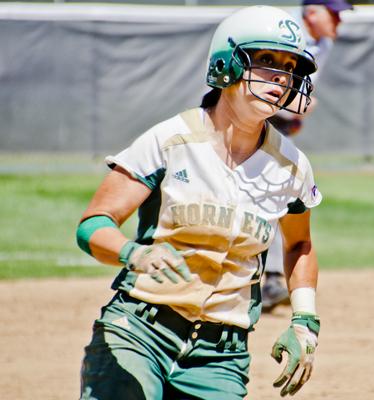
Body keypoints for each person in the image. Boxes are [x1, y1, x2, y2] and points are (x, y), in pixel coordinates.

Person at [76, 6, 322, 399]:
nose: (281, 76)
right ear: (226, 64)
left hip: (221, 355)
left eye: (290, 66)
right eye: (266, 60)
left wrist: (304, 320)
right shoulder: (170, 141)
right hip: (140, 331)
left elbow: (299, 244)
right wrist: (132, 254)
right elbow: (93, 225)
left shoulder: (290, 166)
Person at [262, 0, 353, 312]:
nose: (339, 24)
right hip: (253, 120)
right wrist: (295, 107)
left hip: (280, 125)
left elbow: (303, 93)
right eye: (335, 15)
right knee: (266, 196)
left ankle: (273, 277)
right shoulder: (282, 37)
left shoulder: (323, 44)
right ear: (313, 13)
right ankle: (268, 277)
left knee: (278, 196)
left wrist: (295, 113)